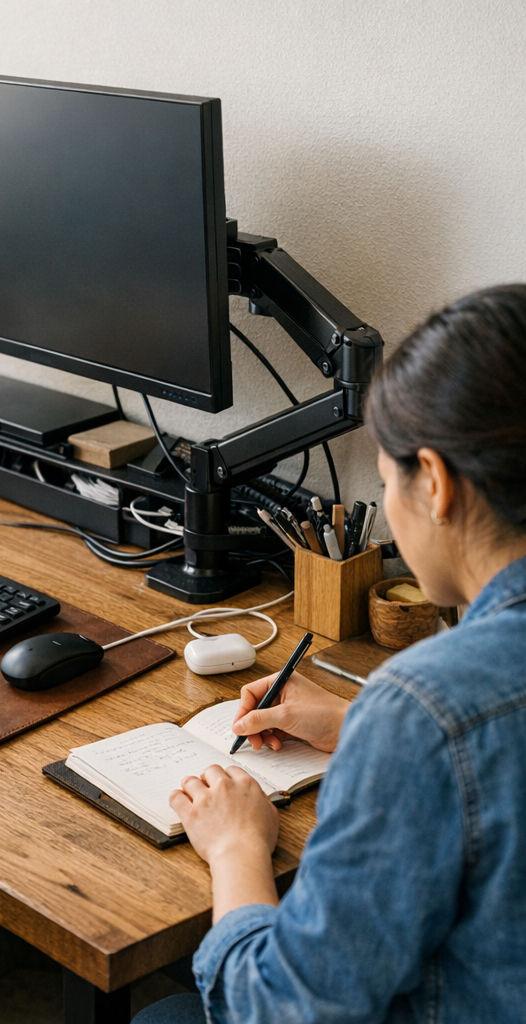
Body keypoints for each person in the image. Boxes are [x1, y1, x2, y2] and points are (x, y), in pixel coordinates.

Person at [135, 284, 526, 1024]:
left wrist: (236, 847)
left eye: (386, 483)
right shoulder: (430, 715)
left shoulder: (423, 708)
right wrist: (361, 724)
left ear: (435, 484)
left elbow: (281, 1010)